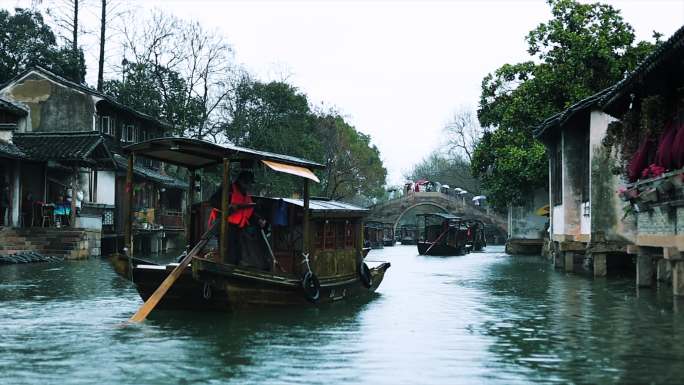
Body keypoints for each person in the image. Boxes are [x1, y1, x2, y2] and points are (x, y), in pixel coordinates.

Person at [209, 171, 267, 265]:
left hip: (238, 228)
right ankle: (227, 270)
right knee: (228, 254)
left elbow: (249, 212)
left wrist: (259, 220)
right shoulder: (229, 189)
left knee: (238, 253)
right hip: (225, 226)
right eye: (247, 183)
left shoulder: (245, 194)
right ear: (241, 181)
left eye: (250, 184)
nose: (249, 186)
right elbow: (213, 201)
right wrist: (227, 207)